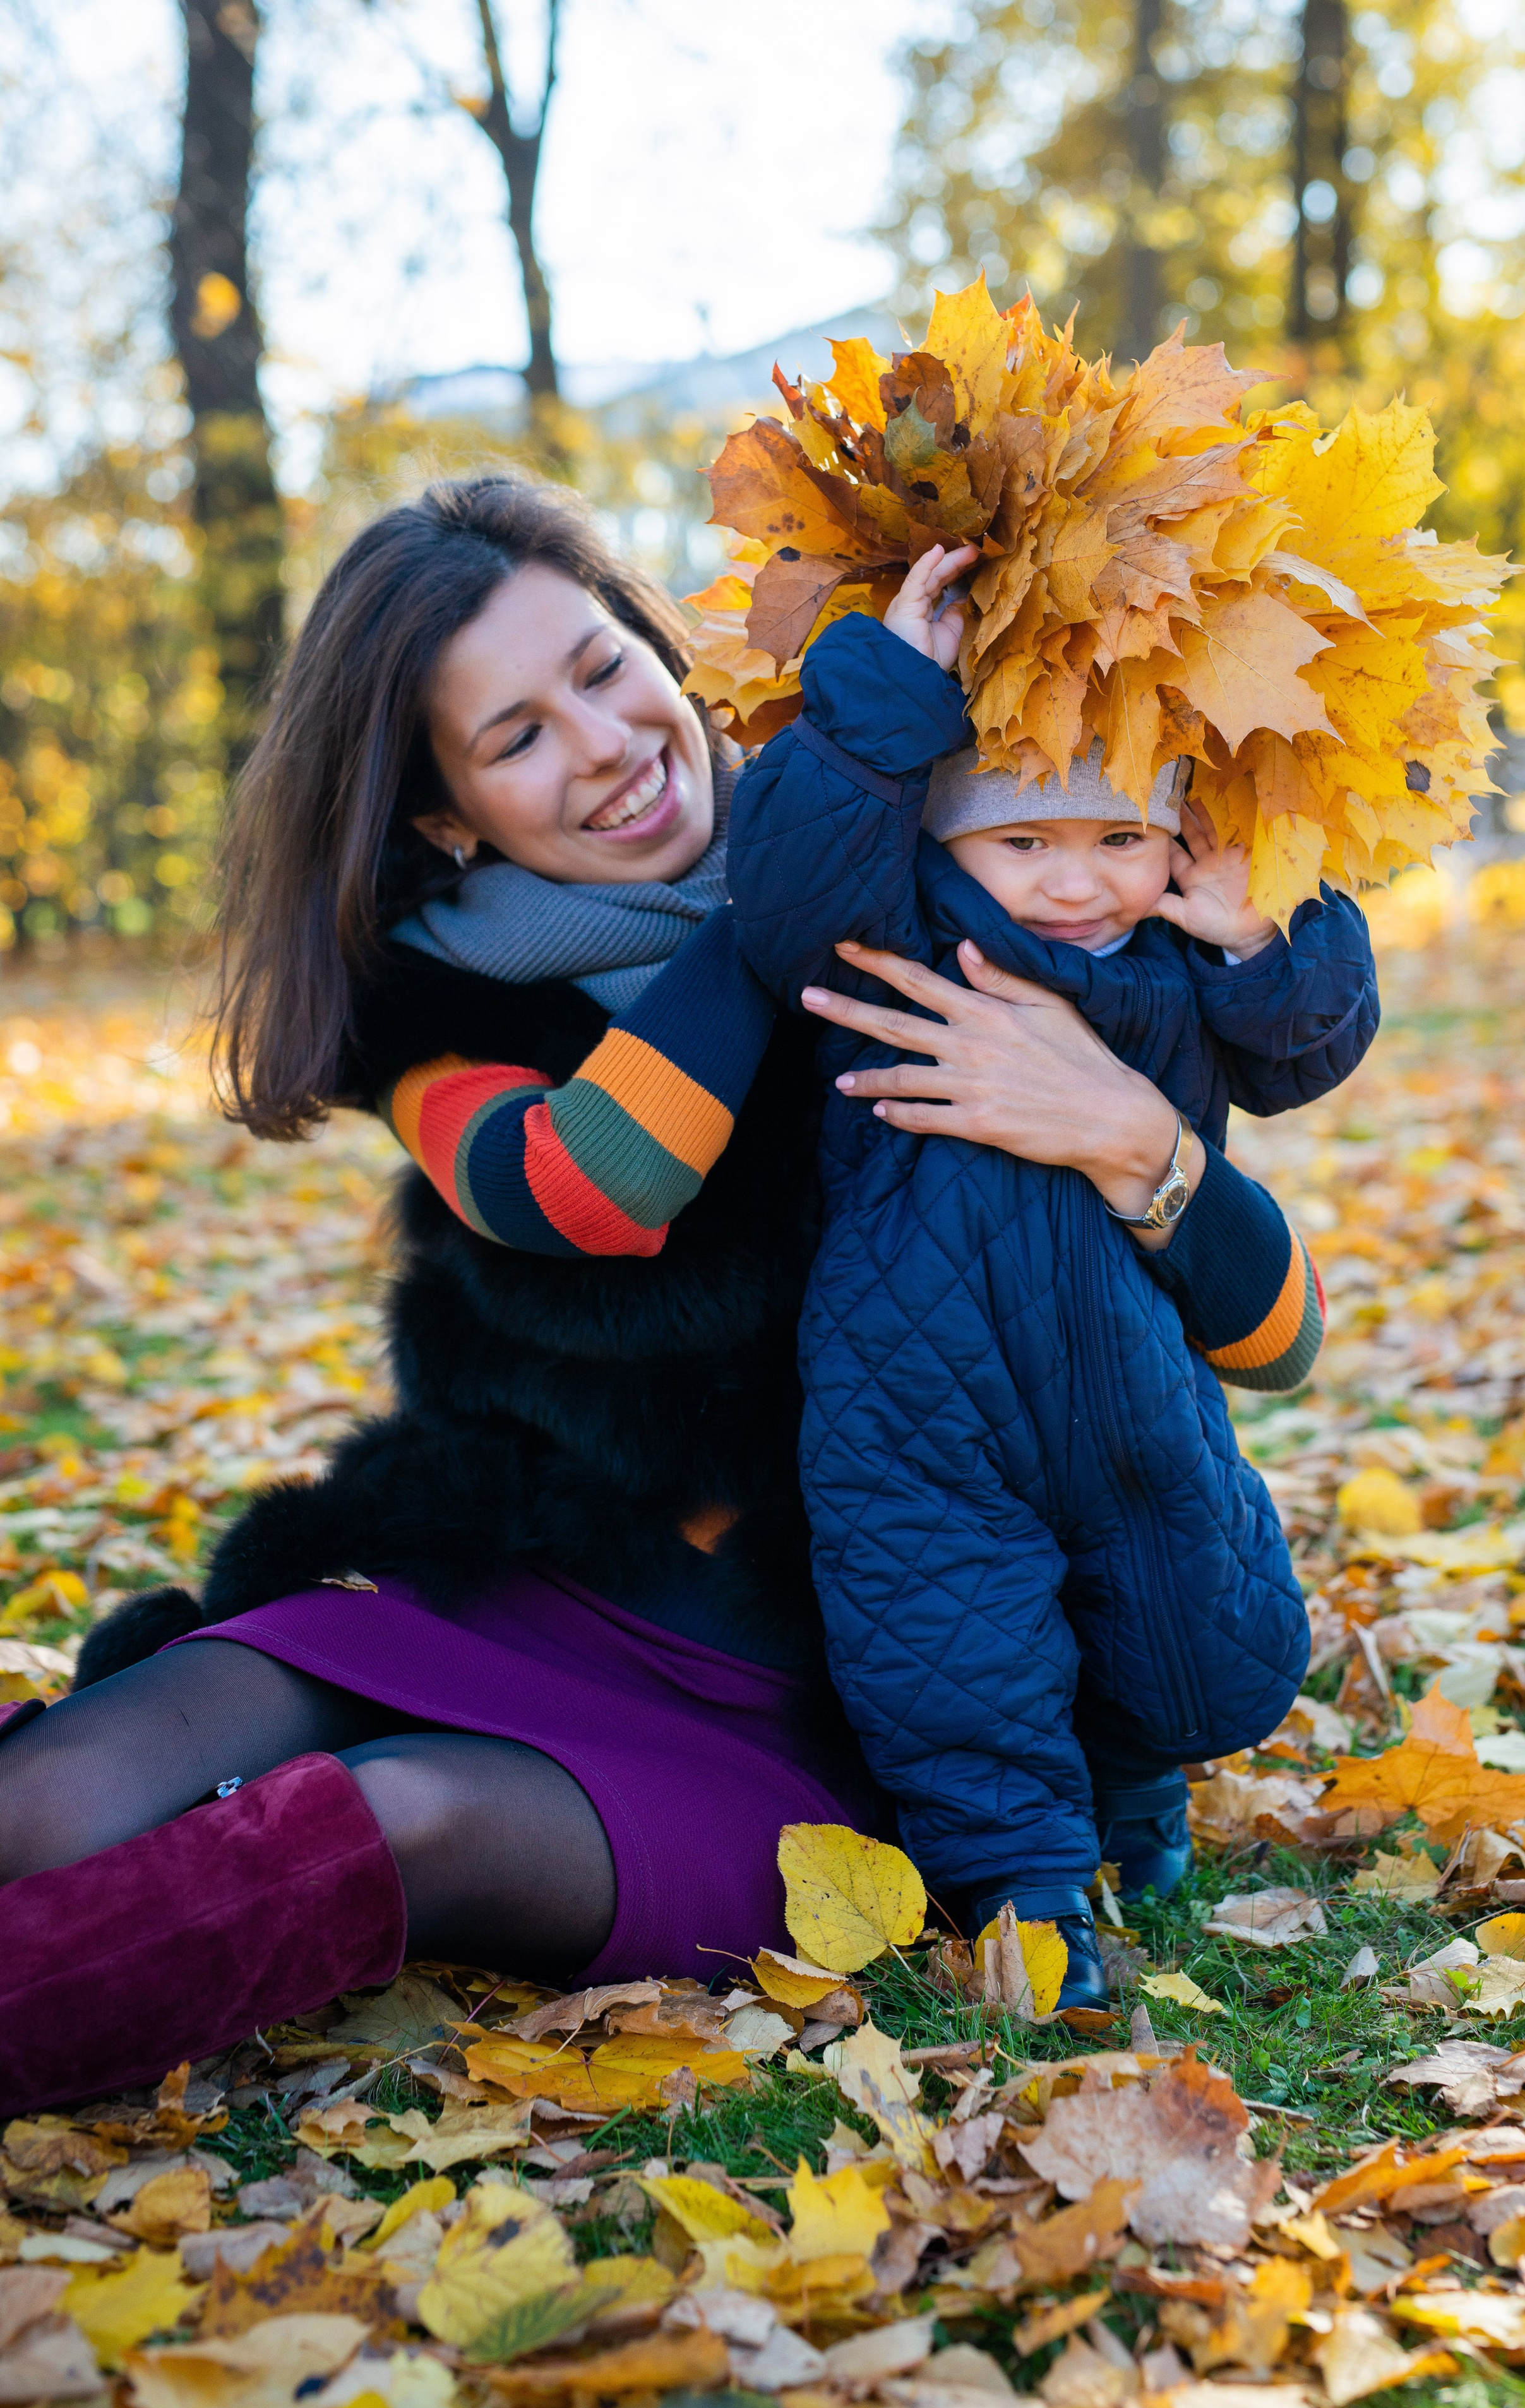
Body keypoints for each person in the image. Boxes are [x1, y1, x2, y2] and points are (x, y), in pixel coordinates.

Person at [0, 479, 1327, 2118]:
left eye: (604, 667)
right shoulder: (443, 1010)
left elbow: (1281, 1341)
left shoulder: (968, 877)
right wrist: (806, 870)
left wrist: (1132, 1139)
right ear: (449, 816)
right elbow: (601, 1185)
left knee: (405, 1812)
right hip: (528, 1589)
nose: (608, 741)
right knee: (53, 1801)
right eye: (519, 735)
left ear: (661, 648)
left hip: (870, 1692)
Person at [724, 540, 1380, 2005]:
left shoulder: (1184, 966)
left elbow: (1309, 1048)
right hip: (912, 1393)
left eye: (1114, 840)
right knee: (951, 1649)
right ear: (949, 849)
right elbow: (780, 895)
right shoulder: (901, 937)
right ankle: (1028, 1897)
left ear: (1175, 840)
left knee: (1187, 1612)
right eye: (1020, 844)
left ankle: (1138, 1791)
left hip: (1129, 1366)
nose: (1072, 883)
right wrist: (890, 699)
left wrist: (1269, 925)